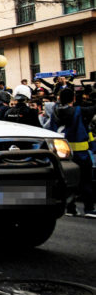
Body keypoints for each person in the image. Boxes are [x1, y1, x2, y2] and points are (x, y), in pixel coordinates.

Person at [55, 88, 95, 218]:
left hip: (63, 153)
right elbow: (92, 110)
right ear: (73, 98)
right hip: (81, 153)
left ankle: (70, 208)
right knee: (86, 180)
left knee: (68, 182)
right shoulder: (79, 111)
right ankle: (89, 209)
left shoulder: (55, 111)